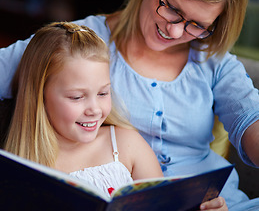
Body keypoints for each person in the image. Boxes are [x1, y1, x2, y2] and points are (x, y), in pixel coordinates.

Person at [0, 0, 258, 210]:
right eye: (172, 8)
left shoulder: (215, 62)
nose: (175, 30)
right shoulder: (78, 48)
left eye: (198, 25)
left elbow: (251, 120)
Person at [3, 22, 164, 197]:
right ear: (39, 95)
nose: (95, 109)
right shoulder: (20, 167)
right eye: (77, 97)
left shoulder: (128, 144)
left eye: (103, 93)